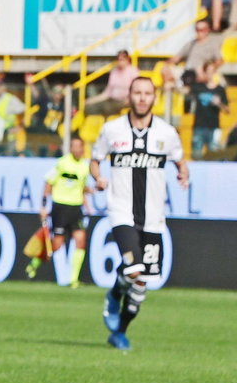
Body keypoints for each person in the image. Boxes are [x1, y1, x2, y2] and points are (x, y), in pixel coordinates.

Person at [90, 76, 189, 350]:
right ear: (129, 97)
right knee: (134, 270)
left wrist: (183, 173)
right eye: (137, 92)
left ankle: (119, 332)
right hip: (121, 211)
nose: (142, 98)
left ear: (154, 97)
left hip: (154, 218)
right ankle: (113, 294)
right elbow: (95, 161)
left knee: (141, 284)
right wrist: (97, 178)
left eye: (147, 93)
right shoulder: (112, 130)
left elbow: (181, 160)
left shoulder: (167, 133)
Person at [26, 136, 95, 286]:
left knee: (80, 241)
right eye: (74, 146)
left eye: (79, 147)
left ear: (83, 149)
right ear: (71, 148)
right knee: (56, 244)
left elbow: (82, 188)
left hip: (76, 209)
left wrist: (89, 201)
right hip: (60, 207)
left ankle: (74, 280)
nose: (77, 149)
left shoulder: (84, 167)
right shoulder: (62, 163)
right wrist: (43, 205)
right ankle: (34, 263)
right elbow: (49, 183)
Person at [186, 59, 226, 156]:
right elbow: (185, 91)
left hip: (214, 126)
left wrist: (218, 103)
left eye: (212, 71)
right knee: (196, 155)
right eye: (208, 71)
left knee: (213, 156)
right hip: (199, 126)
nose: (210, 74)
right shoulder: (198, 87)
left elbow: (227, 109)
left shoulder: (220, 89)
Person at [85, 50, 139, 117]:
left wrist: (129, 99)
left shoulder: (132, 71)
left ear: (127, 60)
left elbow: (137, 88)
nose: (120, 61)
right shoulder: (114, 72)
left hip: (125, 101)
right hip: (112, 100)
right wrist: (91, 100)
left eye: (122, 59)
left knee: (106, 107)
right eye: (118, 59)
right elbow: (107, 93)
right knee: (89, 107)